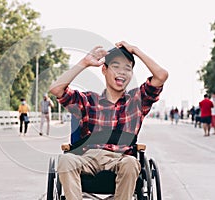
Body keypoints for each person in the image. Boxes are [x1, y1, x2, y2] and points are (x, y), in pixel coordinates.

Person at [49, 41, 168, 200]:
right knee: (66, 160)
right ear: (104, 70)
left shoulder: (136, 101)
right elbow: (56, 89)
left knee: (131, 164)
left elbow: (161, 76)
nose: (122, 72)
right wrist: (84, 62)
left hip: (121, 158)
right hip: (89, 157)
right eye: (116, 66)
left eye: (128, 68)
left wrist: (135, 50)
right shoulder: (89, 100)